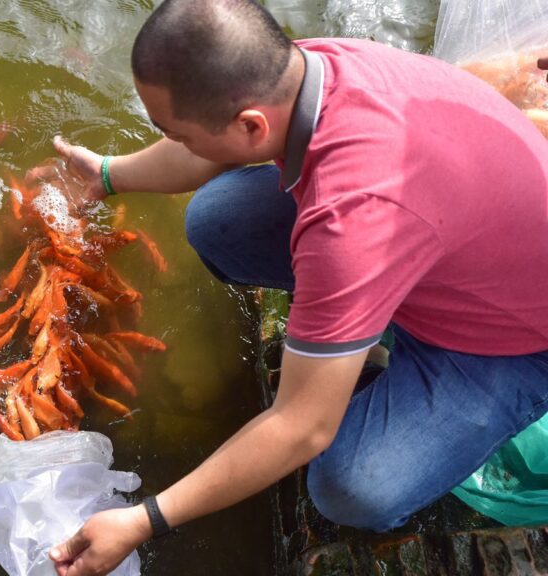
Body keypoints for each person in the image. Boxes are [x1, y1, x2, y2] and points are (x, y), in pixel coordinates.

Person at [38, 1, 548, 574]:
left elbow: (299, 427)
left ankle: (381, 374)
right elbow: (209, 147)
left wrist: (143, 519)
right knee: (219, 223)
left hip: (511, 336)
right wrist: (108, 174)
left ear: (252, 124)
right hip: (450, 241)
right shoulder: (315, 66)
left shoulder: (351, 220)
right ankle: (354, 345)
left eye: (172, 132)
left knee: (353, 487)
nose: (171, 140)